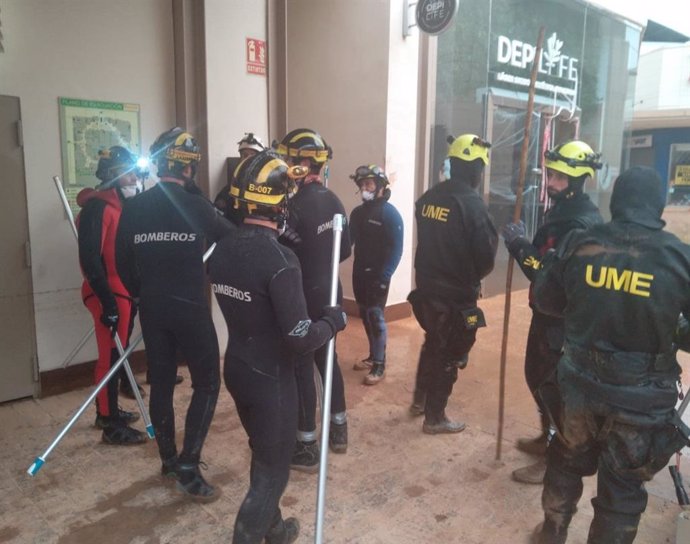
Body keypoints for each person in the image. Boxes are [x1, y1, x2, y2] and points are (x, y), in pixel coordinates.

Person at [530, 166, 690, 544]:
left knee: (565, 463)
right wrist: (671, 328)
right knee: (622, 488)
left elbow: (546, 300)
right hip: (641, 400)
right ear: (658, 204)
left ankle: (552, 532)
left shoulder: (578, 244)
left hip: (578, 388)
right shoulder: (679, 258)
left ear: (616, 201)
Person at [209, 149, 347, 544]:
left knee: (263, 452)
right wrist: (332, 322)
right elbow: (300, 337)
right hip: (271, 379)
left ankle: (275, 530)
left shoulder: (222, 250)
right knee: (273, 472)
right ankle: (250, 534)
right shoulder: (281, 259)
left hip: (237, 368)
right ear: (281, 203)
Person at [115, 127, 235, 500]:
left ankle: (168, 459)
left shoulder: (134, 207)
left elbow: (122, 262)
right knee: (208, 382)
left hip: (152, 307)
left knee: (162, 382)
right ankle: (188, 463)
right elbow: (232, 238)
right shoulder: (198, 206)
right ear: (189, 168)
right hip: (190, 307)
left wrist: (140, 293)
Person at [501, 140, 604, 484]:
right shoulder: (560, 211)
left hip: (564, 319)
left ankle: (554, 459)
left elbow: (546, 271)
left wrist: (518, 245)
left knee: (554, 387)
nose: (551, 182)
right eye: (552, 174)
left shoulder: (580, 223)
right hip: (545, 312)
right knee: (536, 376)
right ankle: (545, 436)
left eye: (560, 177)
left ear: (577, 181)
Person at [407, 134, 497, 434]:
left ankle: (419, 399)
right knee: (452, 351)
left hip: (427, 289)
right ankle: (435, 417)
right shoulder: (473, 206)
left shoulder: (429, 198)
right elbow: (486, 259)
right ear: (475, 170)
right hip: (457, 295)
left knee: (433, 339)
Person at [275, 128, 352, 471]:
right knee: (329, 360)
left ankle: (305, 444)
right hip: (331, 294)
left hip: (303, 296)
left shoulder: (291, 207)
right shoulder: (334, 200)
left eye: (288, 161)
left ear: (303, 164)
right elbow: (344, 250)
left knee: (302, 366)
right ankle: (339, 427)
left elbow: (283, 258)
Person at [76, 146, 146, 445]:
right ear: (115, 176)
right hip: (108, 291)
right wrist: (107, 301)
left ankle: (108, 409)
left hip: (123, 291)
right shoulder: (98, 208)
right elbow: (91, 260)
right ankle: (110, 424)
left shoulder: (118, 205)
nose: (135, 178)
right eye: (129, 173)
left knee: (118, 354)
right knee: (111, 356)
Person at [349, 164, 404, 385]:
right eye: (362, 184)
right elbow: (348, 243)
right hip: (359, 272)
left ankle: (380, 365)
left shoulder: (390, 214)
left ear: (380, 186)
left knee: (375, 315)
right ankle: (372, 356)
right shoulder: (357, 213)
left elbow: (397, 249)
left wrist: (385, 275)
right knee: (363, 314)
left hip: (379, 275)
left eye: (369, 184)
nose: (365, 188)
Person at [214, 133, 266, 224]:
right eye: (245, 155)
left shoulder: (270, 185)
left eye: (252, 155)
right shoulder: (229, 190)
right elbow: (217, 218)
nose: (248, 159)